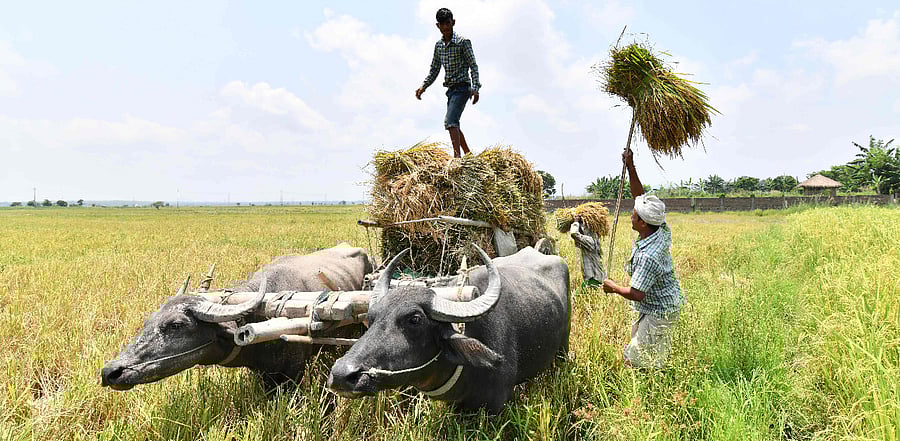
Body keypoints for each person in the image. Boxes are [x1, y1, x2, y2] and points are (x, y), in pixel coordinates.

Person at [602, 149, 684, 368]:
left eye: (634, 215)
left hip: (660, 310)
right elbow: (640, 196)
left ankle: (642, 394)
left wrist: (613, 287)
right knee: (649, 355)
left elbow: (637, 294)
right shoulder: (659, 227)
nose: (631, 214)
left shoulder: (650, 256)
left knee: (632, 359)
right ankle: (653, 383)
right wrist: (631, 166)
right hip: (654, 306)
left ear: (643, 223)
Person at [415, 8, 481, 158]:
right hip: (450, 90)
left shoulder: (463, 42)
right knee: (454, 123)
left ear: (453, 23)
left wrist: (475, 88)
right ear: (437, 26)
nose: (445, 27)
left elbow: (473, 66)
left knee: (450, 121)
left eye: (448, 23)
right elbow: (434, 69)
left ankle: (457, 158)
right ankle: (469, 155)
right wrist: (423, 86)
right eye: (442, 25)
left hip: (463, 87)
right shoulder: (439, 46)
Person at [569, 214, 604, 287]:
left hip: (593, 279)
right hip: (596, 277)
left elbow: (574, 234)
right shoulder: (594, 239)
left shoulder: (590, 240)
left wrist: (576, 222)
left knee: (580, 295)